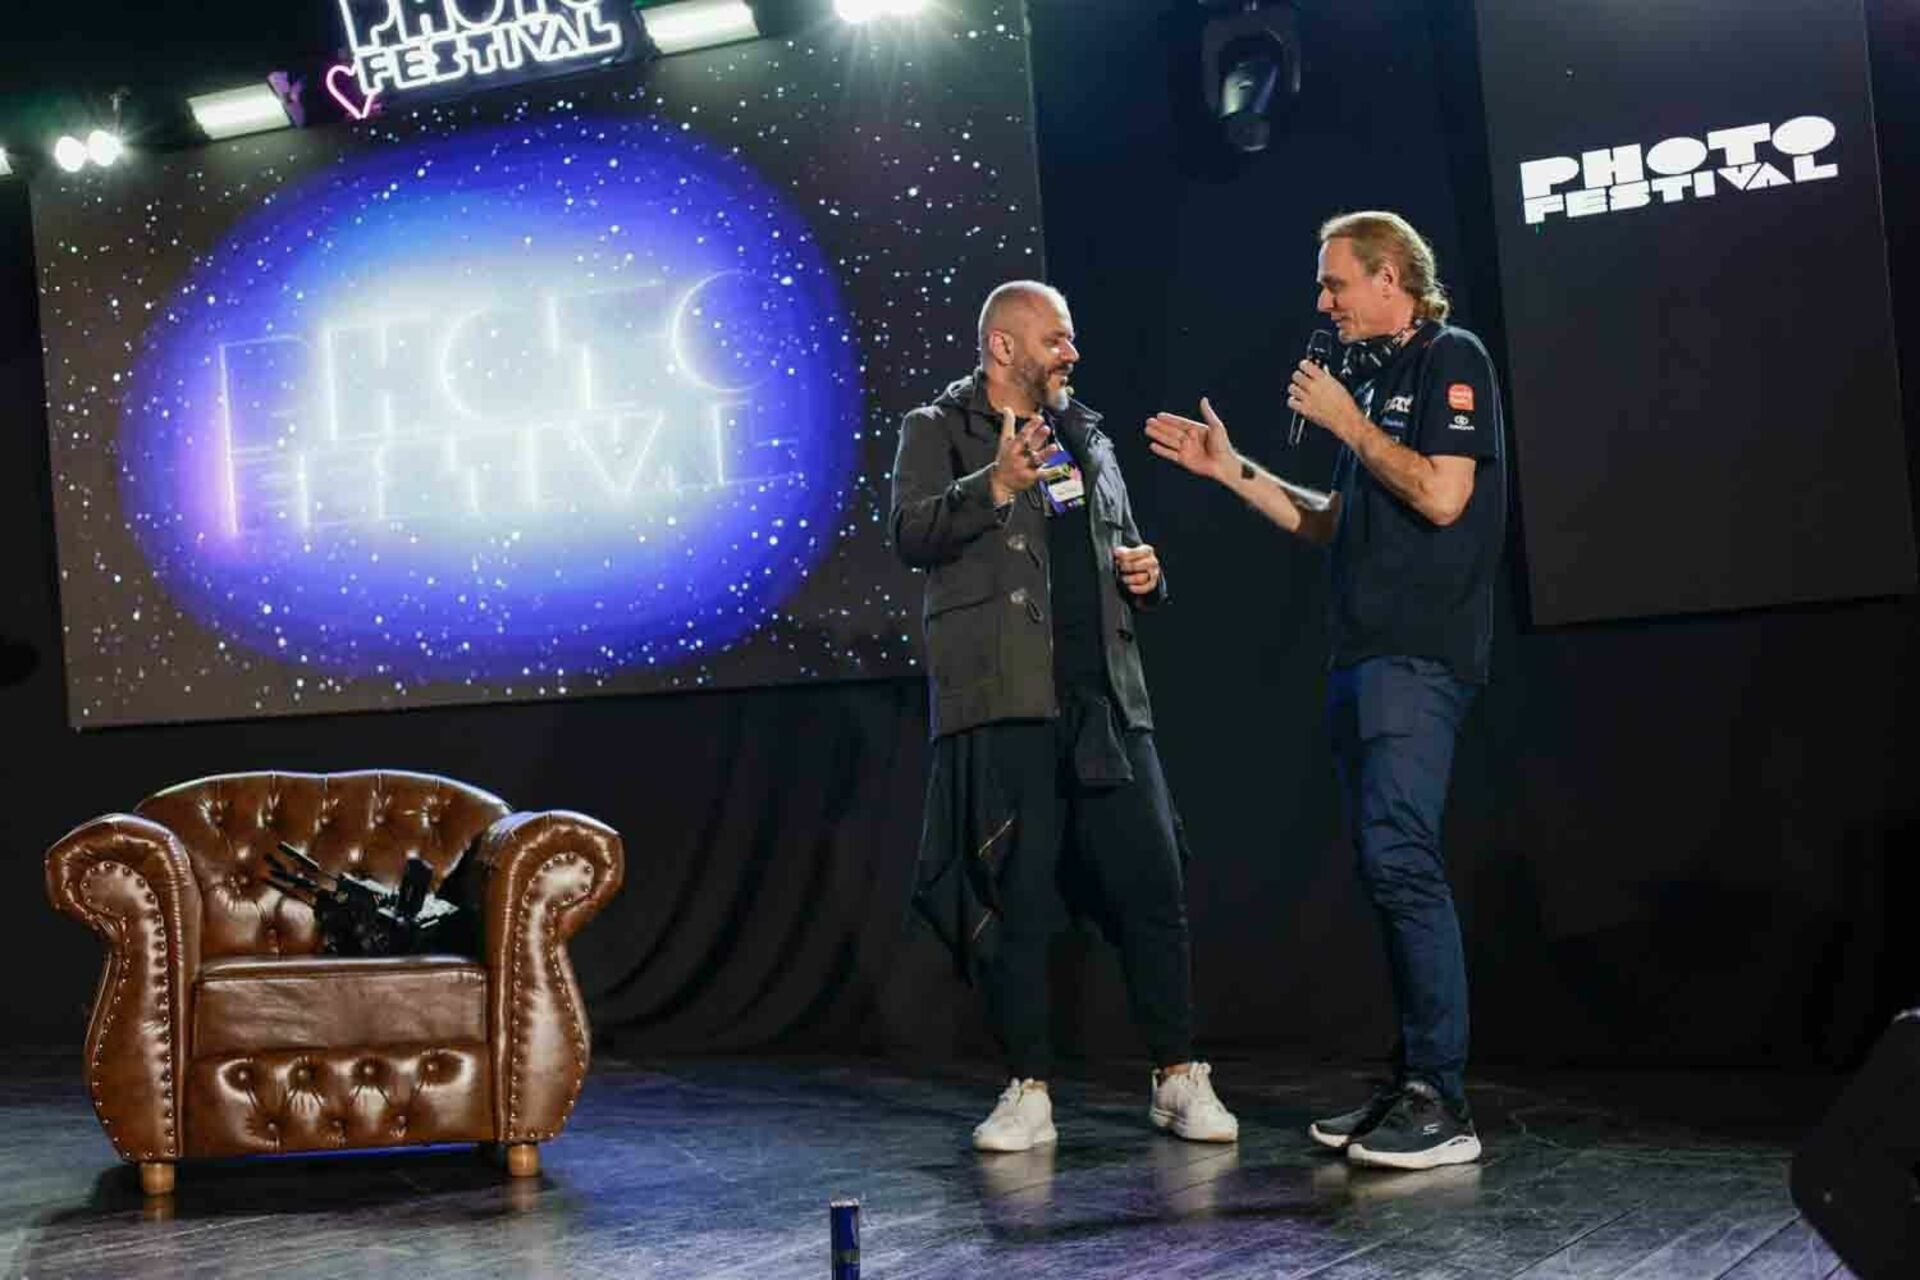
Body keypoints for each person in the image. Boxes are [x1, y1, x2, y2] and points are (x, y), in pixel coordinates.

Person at [1146, 212, 1506, 1171]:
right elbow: (1331, 519)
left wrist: (1347, 421)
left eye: (1335, 282)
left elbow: (1444, 495)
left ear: (1390, 278)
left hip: (1418, 656)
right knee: (1385, 868)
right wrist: (1232, 471)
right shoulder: (1378, 383)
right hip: (1363, 658)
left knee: (1403, 861)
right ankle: (1411, 1083)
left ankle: (1444, 1102)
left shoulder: (1452, 356)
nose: (1322, 300)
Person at [892, 280, 1238, 1153]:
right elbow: (909, 533)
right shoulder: (937, 428)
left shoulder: (1087, 432)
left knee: (1153, 883)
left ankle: (1177, 1075)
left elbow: (1118, 537)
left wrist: (1149, 574)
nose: (1072, 353)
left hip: (1104, 697)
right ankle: (1028, 1089)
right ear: (1004, 347)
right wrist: (995, 482)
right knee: (1019, 895)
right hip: (1009, 700)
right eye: (1057, 339)